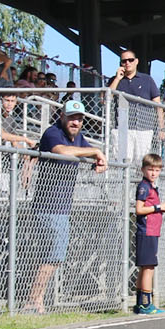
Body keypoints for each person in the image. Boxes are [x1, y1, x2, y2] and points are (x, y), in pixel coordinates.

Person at [24, 99, 107, 314]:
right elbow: (62, 151)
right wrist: (94, 152)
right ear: (62, 116)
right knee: (54, 255)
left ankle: (36, 300)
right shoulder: (53, 133)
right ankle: (34, 300)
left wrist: (98, 162)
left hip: (62, 206)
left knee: (50, 255)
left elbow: (89, 156)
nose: (75, 122)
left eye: (79, 119)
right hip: (48, 206)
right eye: (71, 117)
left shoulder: (79, 138)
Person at [108, 48, 165, 165]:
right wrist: (117, 78)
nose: (127, 63)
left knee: (142, 163)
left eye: (130, 60)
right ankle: (122, 183)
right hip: (122, 128)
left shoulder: (147, 80)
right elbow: (105, 100)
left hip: (144, 129)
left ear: (136, 61)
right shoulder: (114, 80)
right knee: (122, 162)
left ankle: (139, 183)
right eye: (124, 61)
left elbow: (158, 105)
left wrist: (162, 128)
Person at [133, 152, 165, 315]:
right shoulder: (144, 187)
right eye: (150, 169)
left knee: (147, 267)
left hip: (152, 231)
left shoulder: (152, 186)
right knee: (148, 268)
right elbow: (139, 209)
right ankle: (146, 304)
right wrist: (158, 207)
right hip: (146, 231)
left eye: (157, 170)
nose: (153, 173)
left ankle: (140, 303)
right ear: (143, 170)